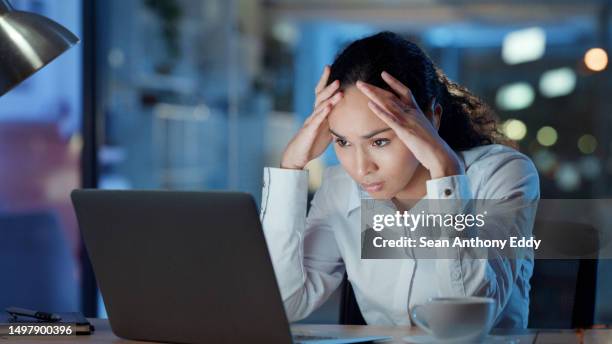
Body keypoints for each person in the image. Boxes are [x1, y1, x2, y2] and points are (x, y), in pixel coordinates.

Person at [260, 31, 539, 328]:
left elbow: (468, 319)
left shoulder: (502, 173)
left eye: (379, 142)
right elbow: (284, 303)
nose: (361, 167)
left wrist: (445, 173)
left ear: (430, 118)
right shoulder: (340, 188)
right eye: (342, 142)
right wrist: (290, 168)